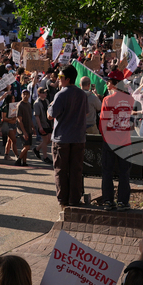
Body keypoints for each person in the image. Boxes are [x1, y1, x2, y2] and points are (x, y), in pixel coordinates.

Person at [47, 65, 88, 207]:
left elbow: (51, 115)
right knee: (76, 170)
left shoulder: (61, 94)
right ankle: (74, 199)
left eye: (60, 77)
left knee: (61, 170)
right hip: (78, 138)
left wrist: (51, 105)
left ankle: (63, 200)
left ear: (67, 79)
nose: (58, 80)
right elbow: (87, 113)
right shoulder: (82, 94)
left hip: (62, 138)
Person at [100, 70, 133, 210]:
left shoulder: (108, 100)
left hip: (110, 141)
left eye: (109, 81)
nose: (107, 83)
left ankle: (108, 200)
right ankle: (123, 201)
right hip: (125, 141)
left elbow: (103, 122)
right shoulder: (130, 99)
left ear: (114, 83)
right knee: (124, 173)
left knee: (107, 171)